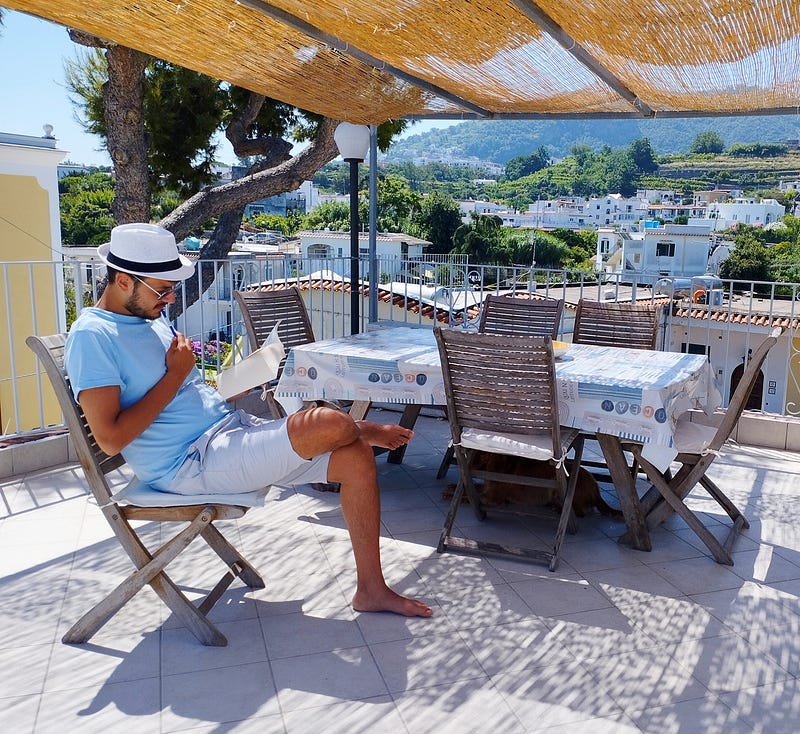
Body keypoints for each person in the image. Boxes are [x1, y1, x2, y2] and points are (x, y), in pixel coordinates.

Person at [65, 223, 432, 618]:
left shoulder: (147, 318)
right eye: (163, 289)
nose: (171, 299)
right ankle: (362, 427)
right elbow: (110, 439)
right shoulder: (93, 337)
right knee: (329, 423)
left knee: (356, 457)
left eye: (173, 289)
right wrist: (175, 375)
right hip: (189, 464)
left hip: (226, 432)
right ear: (123, 280)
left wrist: (224, 384)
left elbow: (177, 393)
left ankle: (372, 590)